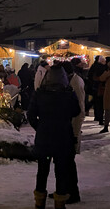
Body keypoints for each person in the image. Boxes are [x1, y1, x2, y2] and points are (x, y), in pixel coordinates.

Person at [28, 66, 80, 209]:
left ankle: (39, 202)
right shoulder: (68, 94)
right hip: (63, 139)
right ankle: (60, 203)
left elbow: (31, 114)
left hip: (45, 139)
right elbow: (77, 110)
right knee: (61, 171)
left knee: (42, 171)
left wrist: (40, 127)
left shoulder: (39, 93)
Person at [61, 61, 85, 204]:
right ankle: (63, 190)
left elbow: (80, 110)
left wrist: (75, 134)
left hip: (72, 129)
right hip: (66, 128)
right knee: (63, 162)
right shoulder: (72, 80)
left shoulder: (75, 83)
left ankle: (73, 193)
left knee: (69, 163)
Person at [98, 57, 110, 133]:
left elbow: (101, 78)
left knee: (108, 110)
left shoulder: (108, 72)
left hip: (108, 92)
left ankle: (106, 126)